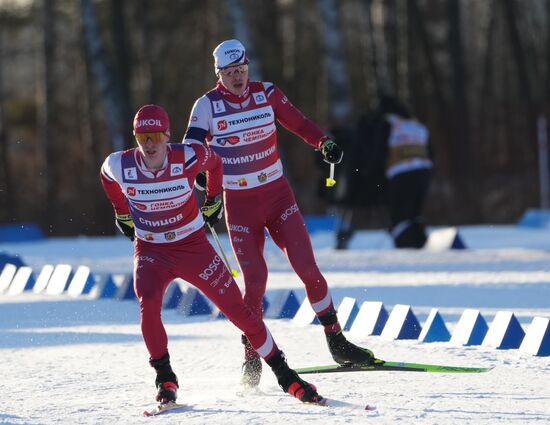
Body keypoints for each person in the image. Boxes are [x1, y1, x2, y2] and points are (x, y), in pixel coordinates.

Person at [183, 39, 378, 389]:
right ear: (219, 75)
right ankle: (252, 355)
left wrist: (323, 142)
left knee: (308, 269)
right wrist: (201, 176)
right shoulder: (206, 106)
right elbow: (191, 147)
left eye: (242, 71)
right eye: (230, 74)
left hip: (277, 196)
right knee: (255, 280)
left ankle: (337, 342)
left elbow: (299, 123)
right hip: (240, 203)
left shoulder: (267, 93)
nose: (238, 79)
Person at [100, 104, 324, 406]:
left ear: (168, 136)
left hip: (193, 249)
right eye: (143, 137)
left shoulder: (188, 155)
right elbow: (106, 178)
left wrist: (213, 199)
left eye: (155, 135)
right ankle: (165, 378)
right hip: (152, 251)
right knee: (149, 304)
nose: (150, 144)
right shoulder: (120, 164)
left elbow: (216, 163)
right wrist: (122, 214)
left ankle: (286, 376)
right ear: (135, 138)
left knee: (239, 314)